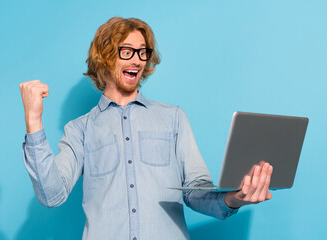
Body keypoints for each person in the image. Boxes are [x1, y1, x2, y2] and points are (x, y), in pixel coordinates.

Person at [20, 17, 273, 240]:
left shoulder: (173, 117)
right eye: (127, 51)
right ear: (105, 56)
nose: (138, 61)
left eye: (143, 52)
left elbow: (196, 191)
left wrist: (235, 198)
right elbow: (52, 195)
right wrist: (34, 122)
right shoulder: (80, 129)